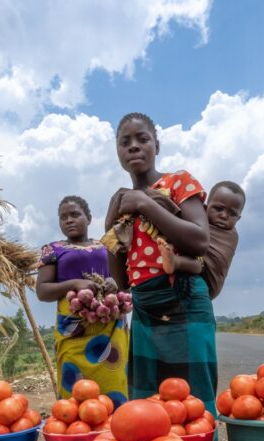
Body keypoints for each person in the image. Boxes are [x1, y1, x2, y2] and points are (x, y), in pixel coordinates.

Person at [104, 112, 218, 414]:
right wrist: (110, 228)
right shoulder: (120, 201)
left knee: (194, 406)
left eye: (143, 139)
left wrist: (144, 202)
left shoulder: (179, 181)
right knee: (146, 409)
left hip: (184, 299)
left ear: (157, 145)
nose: (134, 147)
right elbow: (123, 282)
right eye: (124, 142)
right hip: (144, 305)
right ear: (118, 152)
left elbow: (198, 241)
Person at [35, 195, 129, 407]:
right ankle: (77, 433)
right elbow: (42, 291)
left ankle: (116, 431)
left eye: (75, 214)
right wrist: (74, 284)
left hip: (109, 325)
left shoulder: (107, 246)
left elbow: (125, 282)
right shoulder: (52, 250)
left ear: (88, 218)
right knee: (75, 391)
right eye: (63, 217)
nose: (68, 220)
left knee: (113, 382)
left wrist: (114, 284)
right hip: (73, 328)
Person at [161, 181, 244, 300]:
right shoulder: (199, 221)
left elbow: (186, 233)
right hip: (190, 280)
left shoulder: (231, 236)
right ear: (206, 207)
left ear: (239, 218)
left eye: (232, 213)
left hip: (209, 281)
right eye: (218, 208)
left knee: (198, 263)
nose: (224, 216)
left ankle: (176, 262)